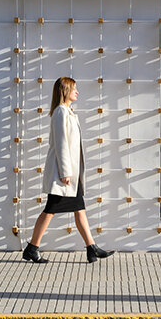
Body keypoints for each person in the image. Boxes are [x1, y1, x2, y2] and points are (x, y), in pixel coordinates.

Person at [22, 77, 115, 264]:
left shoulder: (68, 112)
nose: (77, 92)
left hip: (70, 175)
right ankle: (32, 248)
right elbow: (61, 144)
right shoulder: (60, 113)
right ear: (65, 91)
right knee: (50, 211)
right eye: (74, 89)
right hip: (63, 175)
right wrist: (65, 173)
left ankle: (91, 248)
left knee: (80, 209)